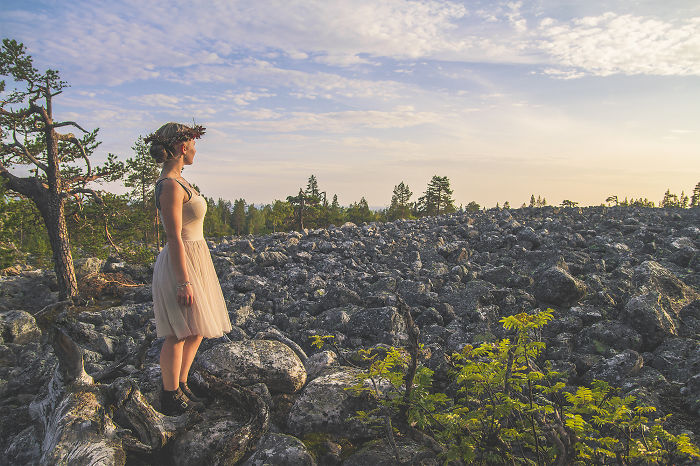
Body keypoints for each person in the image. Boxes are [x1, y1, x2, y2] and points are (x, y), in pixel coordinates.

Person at [145, 122, 232, 416]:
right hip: (180, 262)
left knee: (196, 330)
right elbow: (173, 236)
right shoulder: (169, 185)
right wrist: (183, 282)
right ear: (183, 147)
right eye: (194, 144)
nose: (196, 149)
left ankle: (181, 385)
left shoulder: (181, 181)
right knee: (179, 332)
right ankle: (170, 396)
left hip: (196, 257)